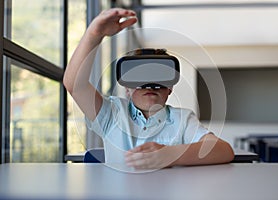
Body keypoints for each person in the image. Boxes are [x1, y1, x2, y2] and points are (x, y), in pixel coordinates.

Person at [63, 8, 234, 170]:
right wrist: (94, 34)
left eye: (159, 76)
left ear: (170, 88)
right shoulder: (112, 114)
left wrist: (171, 154)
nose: (150, 84)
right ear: (127, 88)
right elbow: (75, 86)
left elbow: (224, 150)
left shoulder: (182, 120)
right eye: (140, 76)